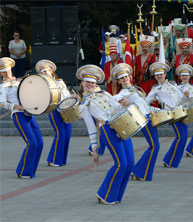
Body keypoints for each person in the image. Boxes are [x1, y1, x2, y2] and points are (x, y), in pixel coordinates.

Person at [77, 64, 134, 205]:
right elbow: (91, 127)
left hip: (121, 125)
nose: (90, 84)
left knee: (130, 163)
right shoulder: (84, 104)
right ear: (82, 82)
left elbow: (118, 107)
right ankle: (105, 194)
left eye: (93, 82)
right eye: (87, 82)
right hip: (107, 129)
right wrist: (94, 149)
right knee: (121, 164)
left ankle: (116, 195)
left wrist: (127, 104)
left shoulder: (105, 94)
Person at [112, 63, 160, 181]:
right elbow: (112, 100)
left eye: (126, 77)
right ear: (119, 81)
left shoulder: (135, 89)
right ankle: (140, 172)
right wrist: (125, 104)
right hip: (143, 120)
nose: (124, 79)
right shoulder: (123, 93)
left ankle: (138, 170)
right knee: (154, 146)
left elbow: (144, 105)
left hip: (150, 117)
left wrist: (158, 110)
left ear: (129, 77)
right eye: (121, 78)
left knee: (154, 146)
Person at [0, 57, 43, 178]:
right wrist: (14, 106)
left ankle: (31, 170)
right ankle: (23, 171)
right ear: (0, 72)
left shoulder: (19, 81)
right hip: (18, 115)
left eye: (8, 70)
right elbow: (1, 103)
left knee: (39, 143)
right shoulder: (3, 87)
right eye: (3, 71)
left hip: (28, 113)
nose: (7, 73)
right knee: (32, 143)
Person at [146, 62, 187, 168]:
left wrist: (186, 96)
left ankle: (173, 161)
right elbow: (146, 102)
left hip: (181, 111)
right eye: (157, 75)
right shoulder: (155, 89)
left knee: (184, 137)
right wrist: (152, 109)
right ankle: (169, 160)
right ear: (155, 76)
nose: (159, 76)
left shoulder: (173, 84)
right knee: (180, 137)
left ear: (165, 74)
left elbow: (181, 97)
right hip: (172, 114)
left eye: (161, 74)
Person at [35, 59, 72, 167]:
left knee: (67, 134)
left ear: (51, 71)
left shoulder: (60, 81)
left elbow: (67, 95)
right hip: (54, 109)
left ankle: (61, 159)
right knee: (60, 134)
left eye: (46, 71)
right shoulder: (42, 85)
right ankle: (53, 159)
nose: (44, 74)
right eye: (42, 73)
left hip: (65, 109)